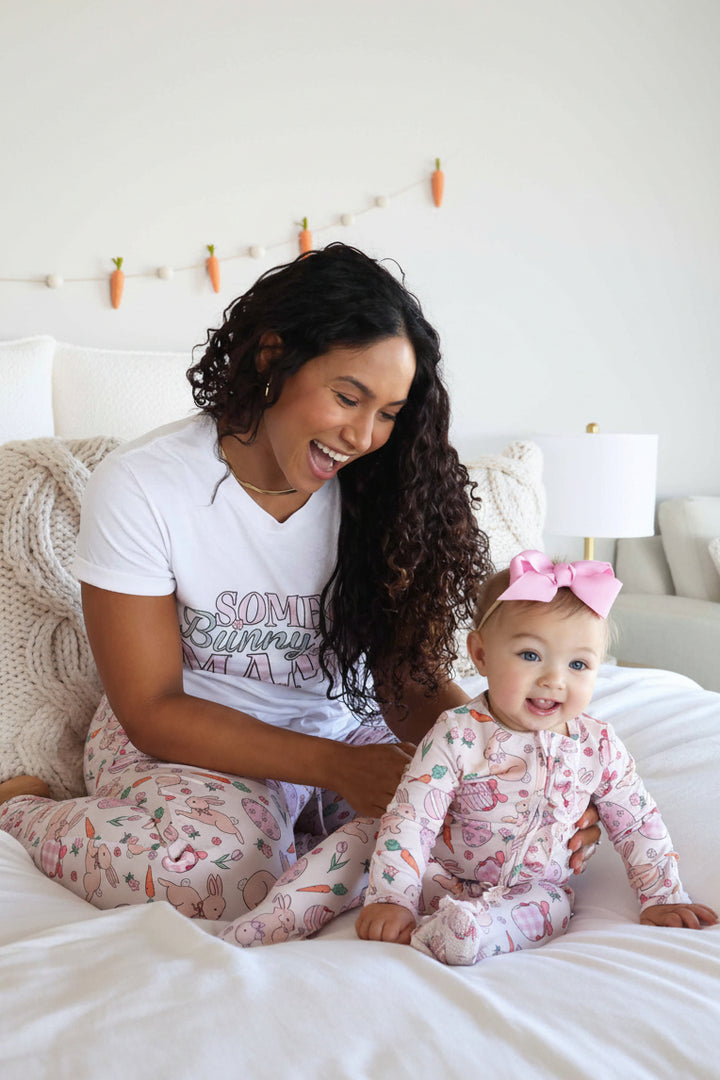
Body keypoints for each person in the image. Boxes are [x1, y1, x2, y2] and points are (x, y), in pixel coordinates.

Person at [0, 246, 600, 934]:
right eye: (348, 398)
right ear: (271, 358)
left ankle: (302, 840)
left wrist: (516, 770)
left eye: (388, 413)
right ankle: (23, 806)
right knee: (215, 880)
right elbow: (151, 707)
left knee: (496, 843)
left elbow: (403, 681)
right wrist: (342, 770)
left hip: (342, 733)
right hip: (183, 741)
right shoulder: (145, 485)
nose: (363, 435)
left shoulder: (382, 494)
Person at [355, 550, 717, 965]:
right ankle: (278, 918)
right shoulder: (457, 732)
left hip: (532, 888)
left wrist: (661, 896)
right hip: (439, 872)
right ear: (480, 653)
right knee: (363, 839)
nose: (554, 679)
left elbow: (636, 820)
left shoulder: (597, 745)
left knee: (548, 910)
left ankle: (464, 933)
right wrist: (394, 897)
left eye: (579, 663)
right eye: (530, 655)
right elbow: (413, 817)